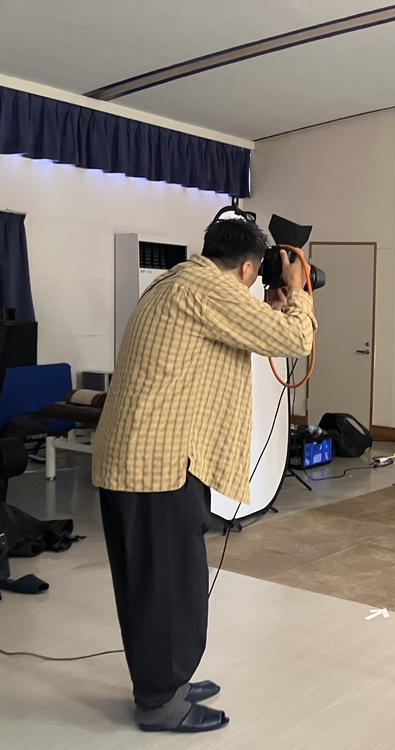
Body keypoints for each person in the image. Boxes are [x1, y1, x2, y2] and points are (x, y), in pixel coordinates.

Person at [92, 214, 317, 733]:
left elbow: (237, 334)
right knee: (167, 586)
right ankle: (159, 703)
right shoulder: (209, 289)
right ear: (247, 269)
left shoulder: (180, 280)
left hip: (149, 461)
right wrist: (297, 292)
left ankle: (165, 682)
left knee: (160, 581)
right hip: (154, 466)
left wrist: (269, 307)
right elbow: (295, 340)